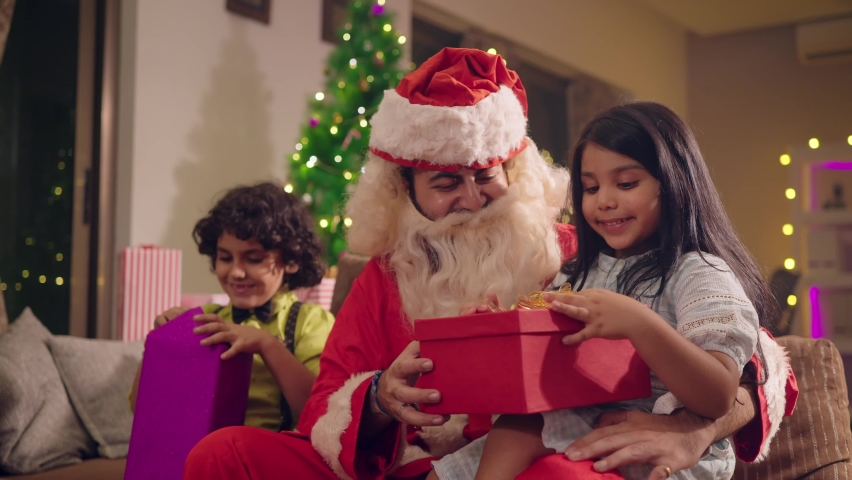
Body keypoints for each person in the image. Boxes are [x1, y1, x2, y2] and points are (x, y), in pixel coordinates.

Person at [183, 48, 797, 480]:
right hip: (403, 464)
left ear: (513, 171)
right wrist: (376, 399)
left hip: (527, 459)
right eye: (446, 183)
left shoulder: (579, 251)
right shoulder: (383, 279)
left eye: (485, 177)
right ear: (406, 192)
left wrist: (694, 429)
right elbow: (322, 408)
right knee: (225, 455)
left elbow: (757, 357)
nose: (472, 200)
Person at [432, 102, 775, 480]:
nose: (605, 200)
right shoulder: (578, 271)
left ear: (674, 183)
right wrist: (501, 327)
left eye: (626, 184)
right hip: (579, 422)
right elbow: (549, 358)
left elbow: (718, 396)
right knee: (463, 461)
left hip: (658, 443)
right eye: (591, 188)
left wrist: (639, 323)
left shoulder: (698, 273)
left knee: (519, 434)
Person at [130, 182, 335, 431]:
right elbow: (142, 406)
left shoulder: (311, 321)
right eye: (225, 258)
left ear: (290, 260)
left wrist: (266, 344)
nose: (236, 272)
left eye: (254, 259)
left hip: (270, 456)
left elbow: (320, 411)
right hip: (204, 454)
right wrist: (160, 345)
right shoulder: (205, 320)